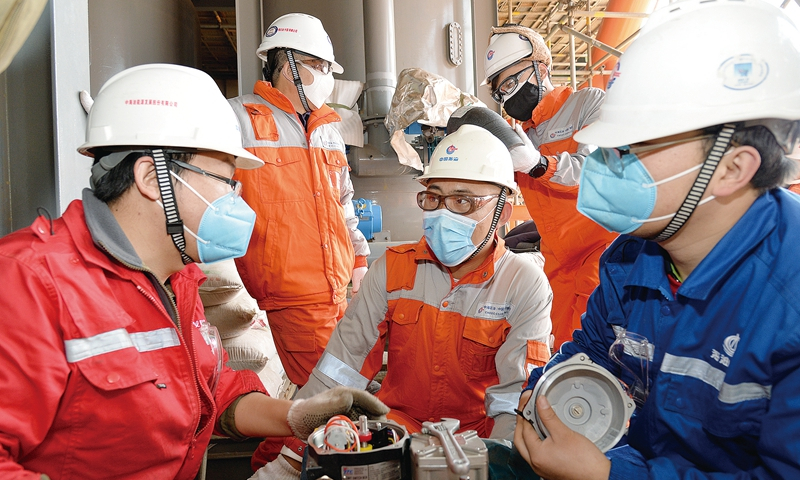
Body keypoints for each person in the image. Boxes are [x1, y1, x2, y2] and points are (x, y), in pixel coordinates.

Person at [0, 63, 389, 480]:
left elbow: (216, 397)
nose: (238, 202)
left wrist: (296, 416)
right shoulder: (28, 284)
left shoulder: (178, 282)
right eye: (225, 180)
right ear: (153, 178)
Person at [513, 1, 800, 478]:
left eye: (633, 147)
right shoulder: (631, 259)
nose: (605, 163)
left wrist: (609, 476)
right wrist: (546, 390)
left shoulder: (788, 302)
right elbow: (594, 350)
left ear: (732, 168)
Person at [296, 124, 552, 445]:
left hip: (475, 441)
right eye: (434, 198)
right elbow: (342, 365)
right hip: (399, 434)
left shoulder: (523, 284)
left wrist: (496, 463)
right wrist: (298, 440)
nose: (443, 214)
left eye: (462, 201)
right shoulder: (392, 268)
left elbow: (514, 401)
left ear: (502, 213)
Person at [228, 12, 370, 392]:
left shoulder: (328, 128)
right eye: (319, 65)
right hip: (291, 295)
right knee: (326, 399)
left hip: (337, 289)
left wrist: (358, 260)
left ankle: (285, 452)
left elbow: (344, 204)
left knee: (324, 396)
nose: (327, 75)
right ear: (288, 64)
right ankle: (279, 455)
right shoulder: (237, 118)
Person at [483, 23, 618, 350]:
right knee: (560, 349)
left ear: (541, 69)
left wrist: (541, 165)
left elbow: (603, 170)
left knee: (595, 352)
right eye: (502, 92)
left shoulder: (587, 103)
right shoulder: (520, 136)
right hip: (558, 261)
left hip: (602, 250)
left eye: (513, 81)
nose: (509, 96)